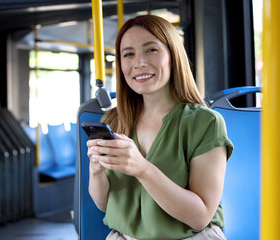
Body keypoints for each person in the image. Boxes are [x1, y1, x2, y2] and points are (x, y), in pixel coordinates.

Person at [87, 15, 233, 240]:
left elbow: (200, 216)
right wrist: (96, 171)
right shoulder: (115, 121)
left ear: (173, 56)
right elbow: (106, 205)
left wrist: (142, 168)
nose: (139, 63)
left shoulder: (205, 123)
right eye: (128, 54)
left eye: (151, 50)